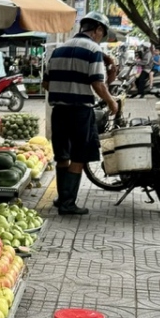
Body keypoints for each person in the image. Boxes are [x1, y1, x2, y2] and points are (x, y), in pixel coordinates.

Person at [42, 12, 120, 216]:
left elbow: (46, 83)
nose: (101, 38)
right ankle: (69, 204)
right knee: (78, 156)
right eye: (102, 34)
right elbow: (97, 83)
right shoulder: (93, 50)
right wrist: (111, 101)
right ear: (98, 30)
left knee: (62, 156)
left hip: (58, 111)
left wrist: (65, 87)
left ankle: (62, 199)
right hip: (79, 111)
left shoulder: (58, 50)